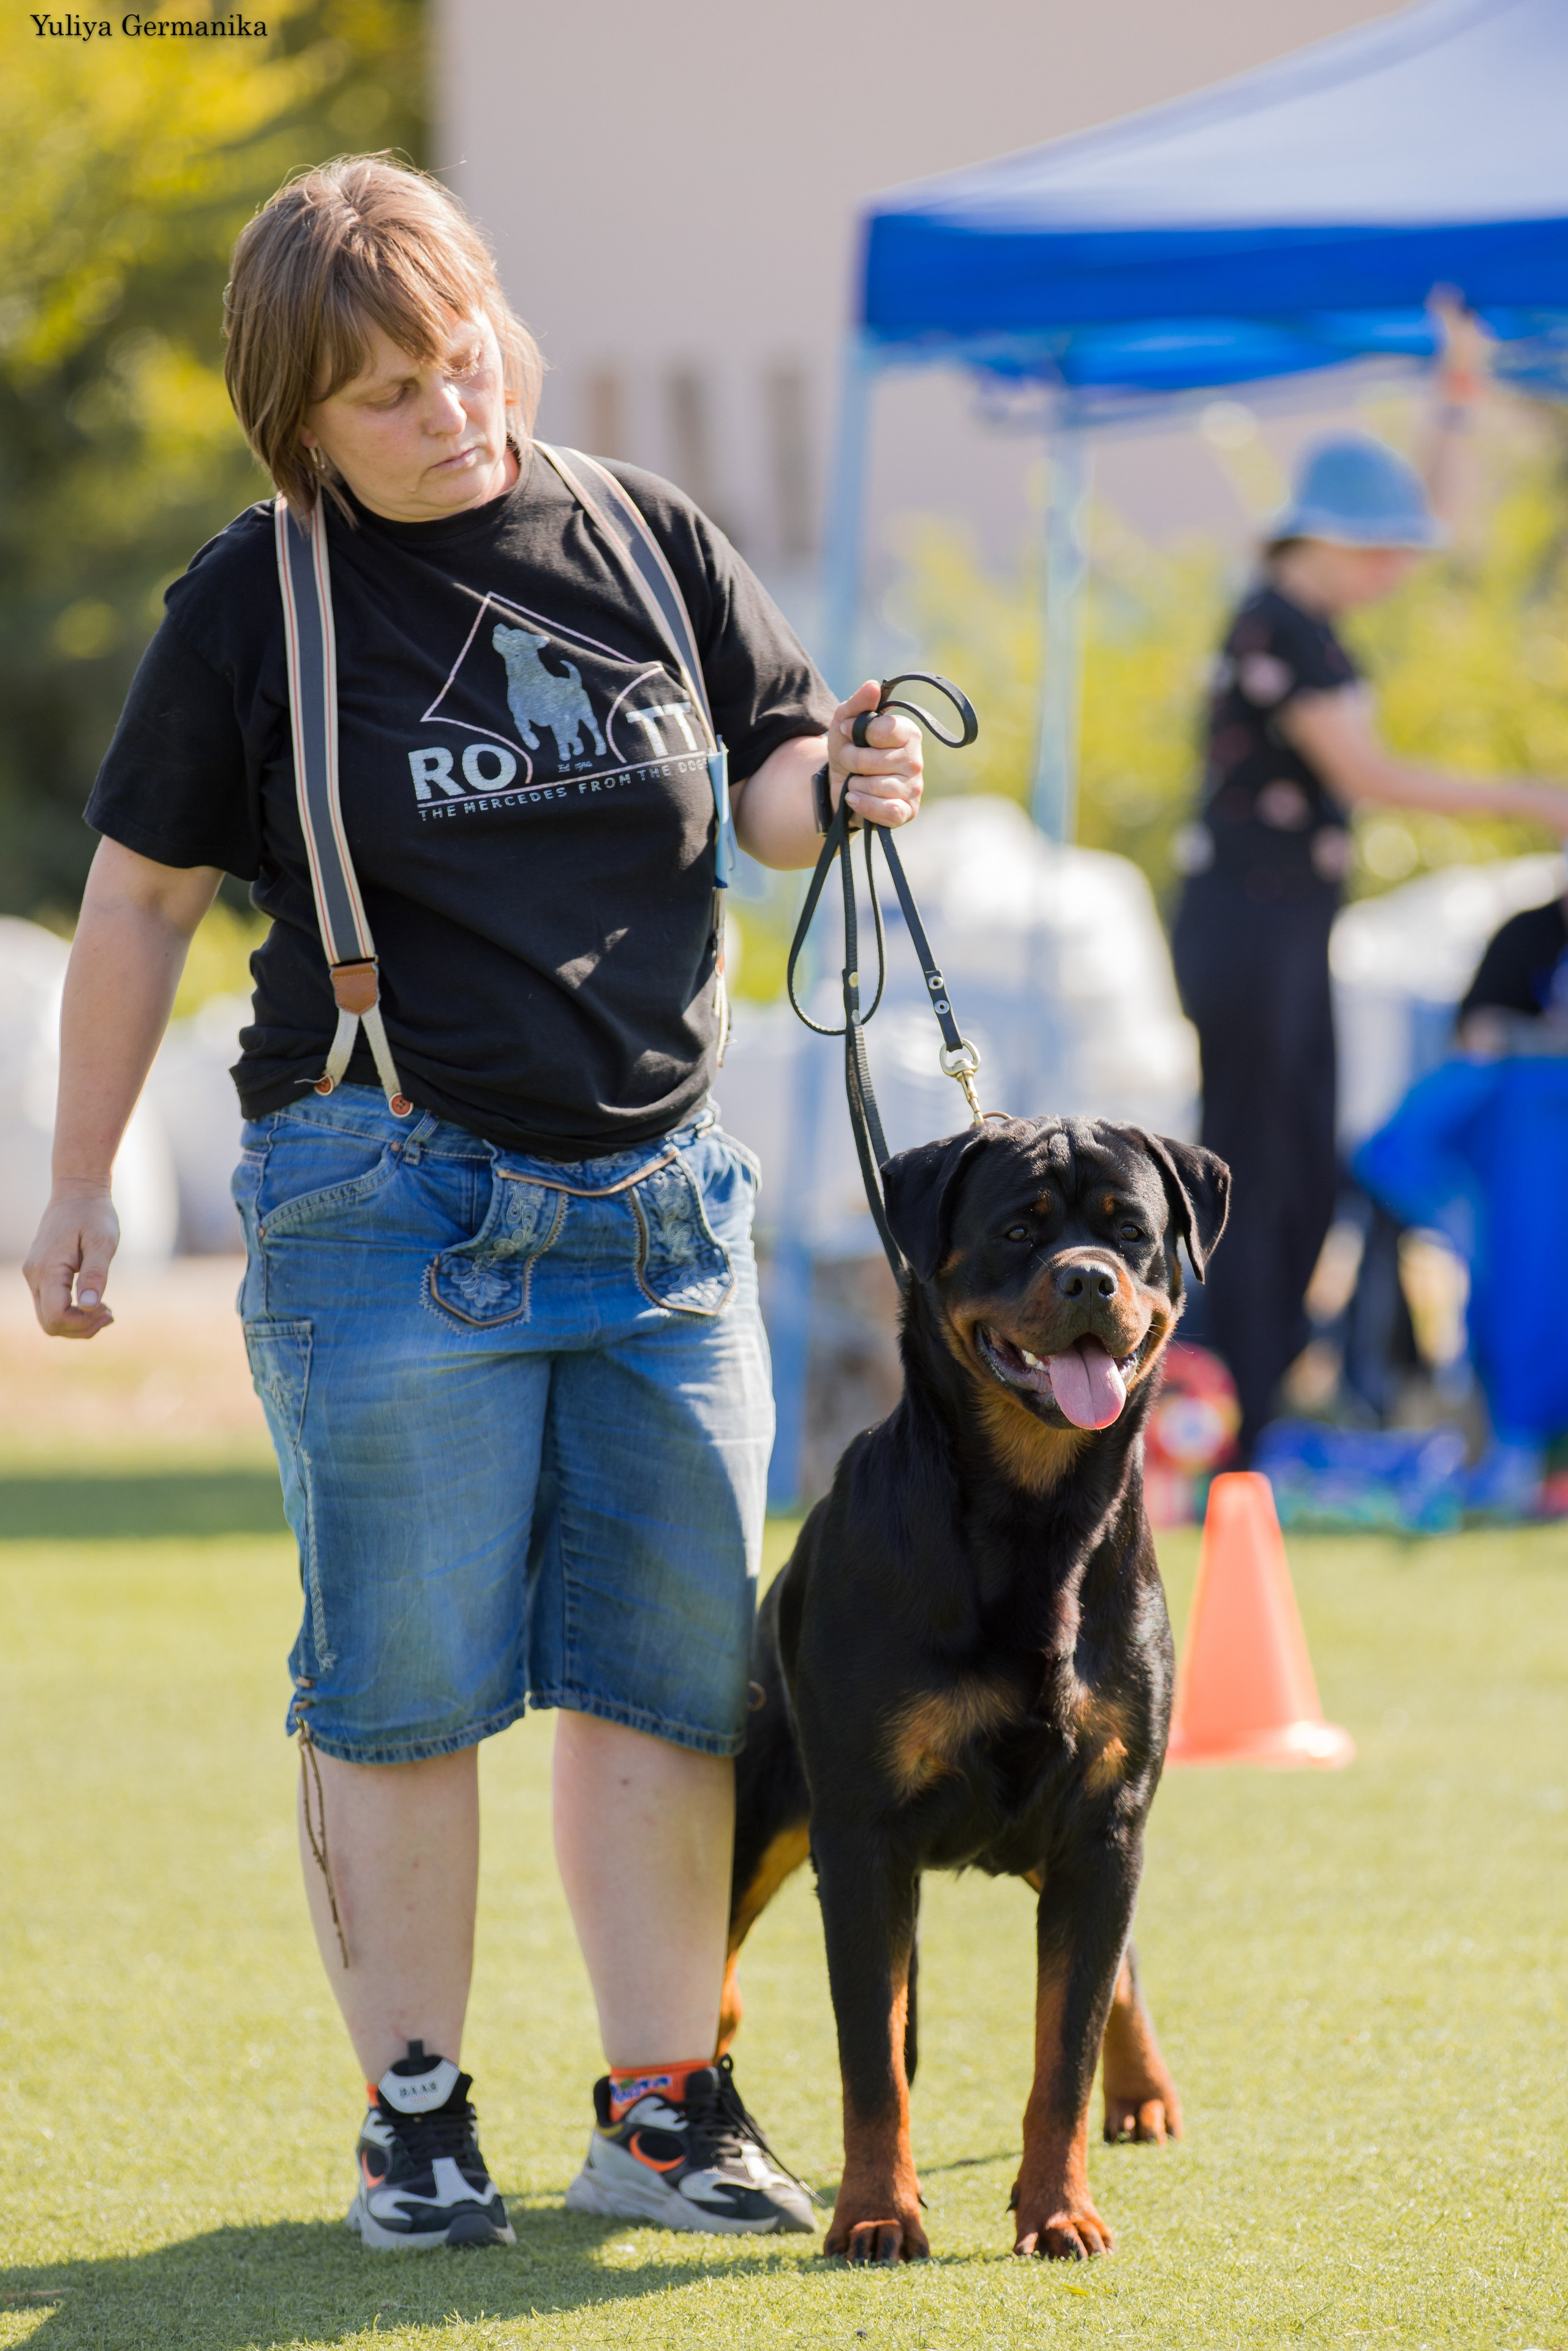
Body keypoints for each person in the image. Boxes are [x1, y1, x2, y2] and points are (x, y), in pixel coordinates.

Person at [21, 157, 925, 2251]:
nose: (458, 414)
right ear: (296, 422)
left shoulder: (638, 527)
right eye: (389, 397)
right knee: (405, 1683)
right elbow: (141, 895)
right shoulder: (254, 598)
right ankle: (414, 2111)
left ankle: (662, 2101)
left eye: (464, 357)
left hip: (670, 1216)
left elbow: (775, 768)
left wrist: (841, 776)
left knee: (671, 1673)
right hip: (381, 1194)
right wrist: (77, 1182)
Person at [1171, 385, 1568, 1461]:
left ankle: (1248, 1408)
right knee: (1255, 1172)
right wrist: (1535, 800)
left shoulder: (1310, 620)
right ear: (1333, 540)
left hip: (1289, 928)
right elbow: (1370, 772)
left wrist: (1455, 406)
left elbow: (1422, 534)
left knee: (1303, 1169)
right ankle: (1224, 1423)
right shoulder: (1277, 627)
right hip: (1248, 931)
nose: (1398, 570)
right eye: (1380, 549)